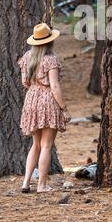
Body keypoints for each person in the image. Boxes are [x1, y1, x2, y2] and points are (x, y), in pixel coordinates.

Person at [18, 22, 71, 193]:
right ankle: (41, 185)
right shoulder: (51, 60)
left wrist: (36, 88)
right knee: (46, 145)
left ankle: (26, 183)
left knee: (36, 145)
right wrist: (64, 109)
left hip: (31, 99)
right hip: (48, 101)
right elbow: (55, 87)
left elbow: (24, 83)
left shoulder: (27, 57)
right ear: (49, 41)